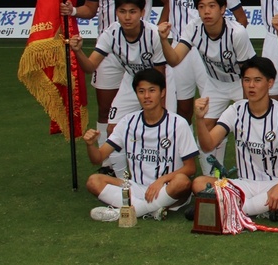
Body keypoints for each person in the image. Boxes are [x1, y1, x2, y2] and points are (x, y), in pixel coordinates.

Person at [61, 0, 161, 169]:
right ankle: (107, 159)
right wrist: (72, 10)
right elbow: (91, 8)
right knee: (106, 108)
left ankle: (152, 154)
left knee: (151, 101)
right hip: (108, 50)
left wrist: (164, 24)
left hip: (143, 50)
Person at [123, 0, 247, 121]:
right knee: (182, 107)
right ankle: (183, 147)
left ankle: (210, 151)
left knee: (212, 108)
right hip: (180, 50)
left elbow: (241, 18)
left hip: (210, 53)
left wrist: (225, 42)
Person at [159, 0, 255, 174]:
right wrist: (164, 40)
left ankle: (251, 174)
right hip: (214, 83)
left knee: (248, 128)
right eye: (201, 7)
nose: (206, 11)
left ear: (223, 8)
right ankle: (211, 178)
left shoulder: (237, 33)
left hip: (240, 82)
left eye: (211, 6)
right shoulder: (194, 27)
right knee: (205, 130)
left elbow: (248, 73)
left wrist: (245, 107)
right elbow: (175, 59)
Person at [68, 0, 165, 174]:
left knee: (161, 129)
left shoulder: (153, 35)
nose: (127, 17)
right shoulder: (110, 33)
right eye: (122, 11)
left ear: (142, 13)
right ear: (116, 12)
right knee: (113, 129)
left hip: (158, 83)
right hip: (131, 81)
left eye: (133, 11)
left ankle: (162, 173)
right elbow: (90, 67)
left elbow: (161, 74)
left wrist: (162, 103)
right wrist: (78, 51)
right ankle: (121, 180)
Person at [82, 69, 198, 222]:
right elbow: (98, 158)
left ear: (162, 93)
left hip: (167, 187)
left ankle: (126, 212)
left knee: (182, 181)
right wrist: (90, 145)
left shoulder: (178, 124)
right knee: (93, 181)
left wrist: (161, 180)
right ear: (136, 94)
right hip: (136, 187)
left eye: (152, 90)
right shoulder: (128, 122)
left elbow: (190, 168)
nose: (147, 96)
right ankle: (150, 209)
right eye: (141, 91)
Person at [192, 57, 278, 219]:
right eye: (247, 80)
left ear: (270, 83)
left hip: (274, 183)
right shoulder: (235, 110)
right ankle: (257, 209)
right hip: (244, 184)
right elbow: (208, 145)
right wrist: (199, 119)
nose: (251, 86)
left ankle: (229, 209)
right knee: (199, 183)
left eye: (257, 80)